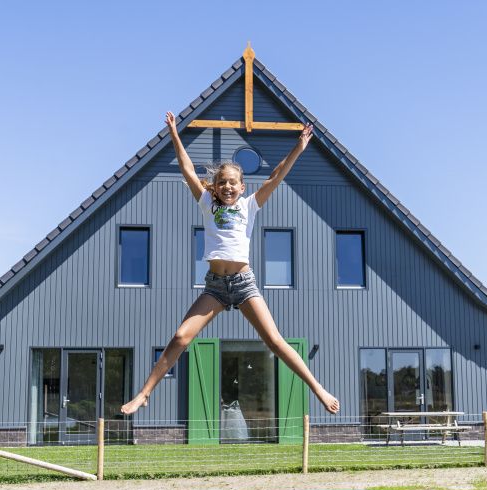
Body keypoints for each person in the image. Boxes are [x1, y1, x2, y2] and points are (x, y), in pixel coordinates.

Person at [121, 112, 340, 416]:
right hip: (215, 286)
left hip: (243, 283)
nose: (227, 187)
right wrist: (174, 133)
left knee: (275, 341)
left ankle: (318, 388)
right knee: (181, 337)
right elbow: (186, 168)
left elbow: (276, 176)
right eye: (222, 182)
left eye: (233, 183)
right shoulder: (207, 204)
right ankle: (144, 394)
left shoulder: (250, 206)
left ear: (242, 186)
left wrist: (298, 149)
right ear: (215, 186)